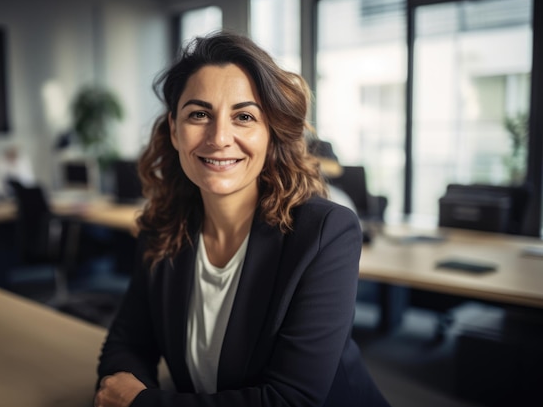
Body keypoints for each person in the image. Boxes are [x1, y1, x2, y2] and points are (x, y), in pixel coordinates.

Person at [95, 31, 390, 407]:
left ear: (270, 132)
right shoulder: (162, 227)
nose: (219, 137)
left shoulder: (324, 233)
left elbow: (290, 400)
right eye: (199, 114)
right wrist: (121, 387)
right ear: (174, 129)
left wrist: (142, 404)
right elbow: (128, 342)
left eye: (244, 116)